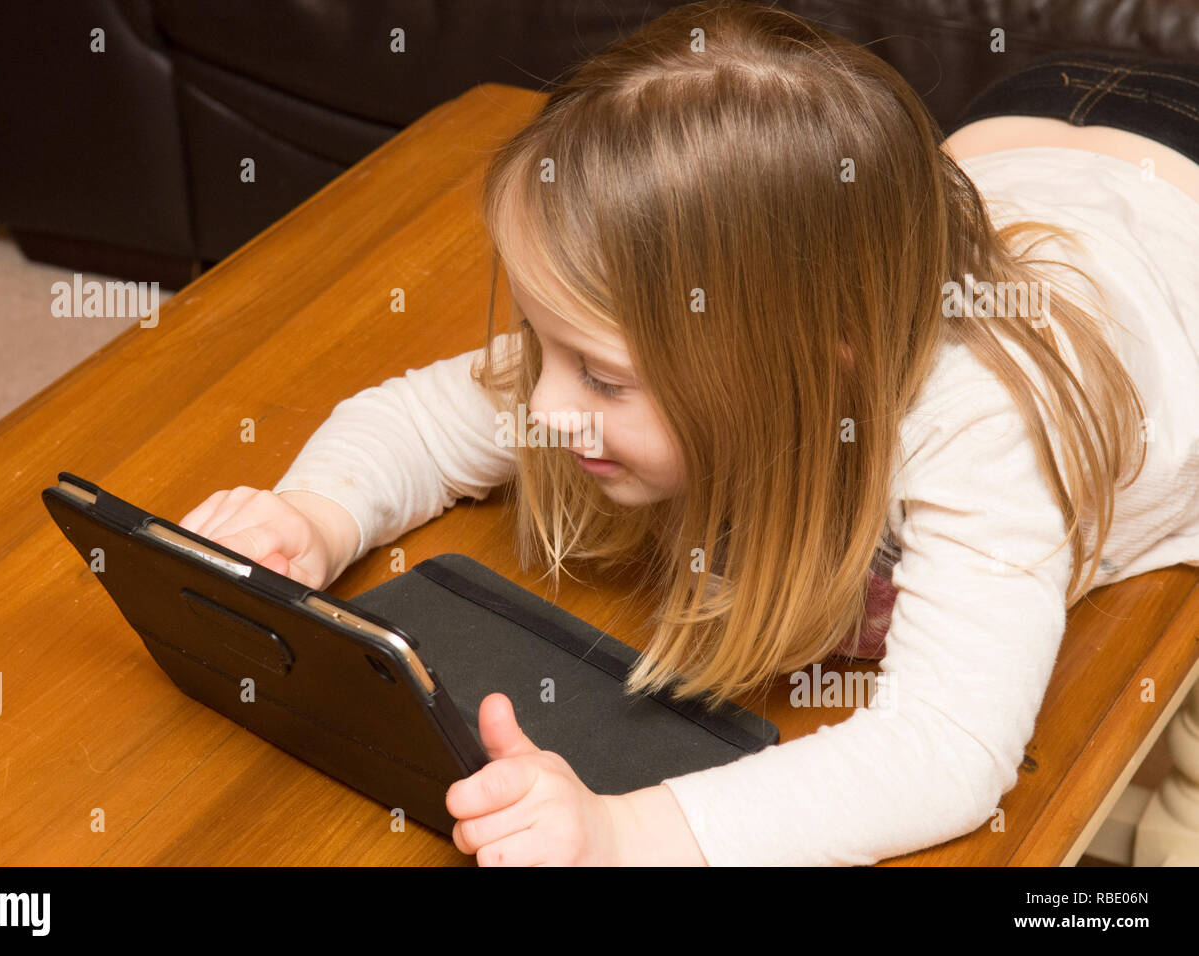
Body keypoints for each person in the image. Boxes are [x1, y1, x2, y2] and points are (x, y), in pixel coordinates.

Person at [177, 1, 1199, 865]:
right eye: (545, 345)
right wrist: (309, 519)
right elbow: (419, 415)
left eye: (603, 373)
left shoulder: (981, 422)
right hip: (1024, 117)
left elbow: (946, 749)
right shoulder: (742, 325)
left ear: (807, 363)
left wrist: (627, 832)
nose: (545, 406)